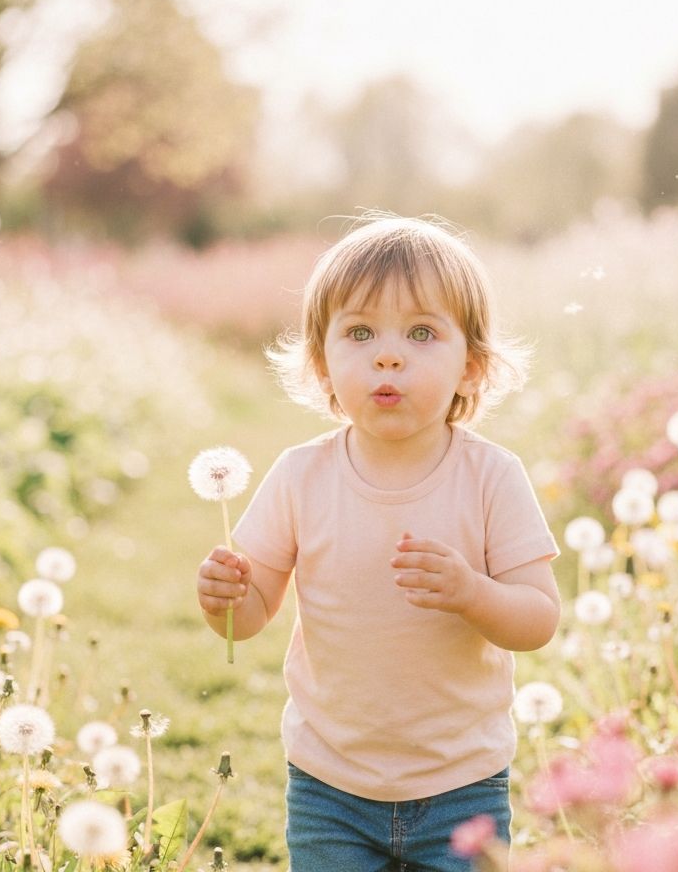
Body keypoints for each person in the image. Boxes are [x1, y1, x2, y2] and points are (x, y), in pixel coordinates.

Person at [196, 214, 560, 871]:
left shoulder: (491, 478)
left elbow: (538, 620)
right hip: (329, 784)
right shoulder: (300, 476)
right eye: (360, 332)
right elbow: (247, 618)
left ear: (471, 366)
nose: (388, 355)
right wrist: (222, 596)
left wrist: (472, 593)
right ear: (322, 362)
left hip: (463, 784)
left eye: (422, 332)